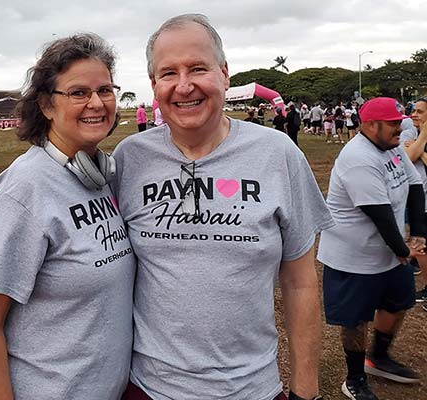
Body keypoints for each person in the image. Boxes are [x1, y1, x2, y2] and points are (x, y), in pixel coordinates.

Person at [113, 14, 332, 400]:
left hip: (253, 388)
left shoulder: (278, 154)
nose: (184, 86)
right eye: (168, 73)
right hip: (150, 388)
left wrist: (305, 390)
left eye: (198, 68)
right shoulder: (129, 159)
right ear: (154, 85)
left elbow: (300, 282)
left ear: (225, 74)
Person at [0, 33, 135, 400]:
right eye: (78, 93)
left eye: (105, 90)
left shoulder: (100, 174)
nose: (96, 103)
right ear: (45, 105)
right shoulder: (24, 191)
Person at [317, 97, 425, 400]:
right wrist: (404, 250)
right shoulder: (358, 158)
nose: (399, 128)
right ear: (369, 125)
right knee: (356, 319)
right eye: (392, 123)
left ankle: (378, 357)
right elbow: (379, 213)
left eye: (399, 122)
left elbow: (415, 185)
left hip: (389, 251)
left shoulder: (391, 148)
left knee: (398, 303)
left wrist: (418, 234)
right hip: (354, 256)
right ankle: (354, 378)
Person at [402, 97, 427, 302]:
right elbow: (407, 157)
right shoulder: (410, 131)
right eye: (413, 110)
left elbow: (413, 154)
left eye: (420, 112)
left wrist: (420, 147)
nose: (414, 115)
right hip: (417, 198)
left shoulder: (417, 136)